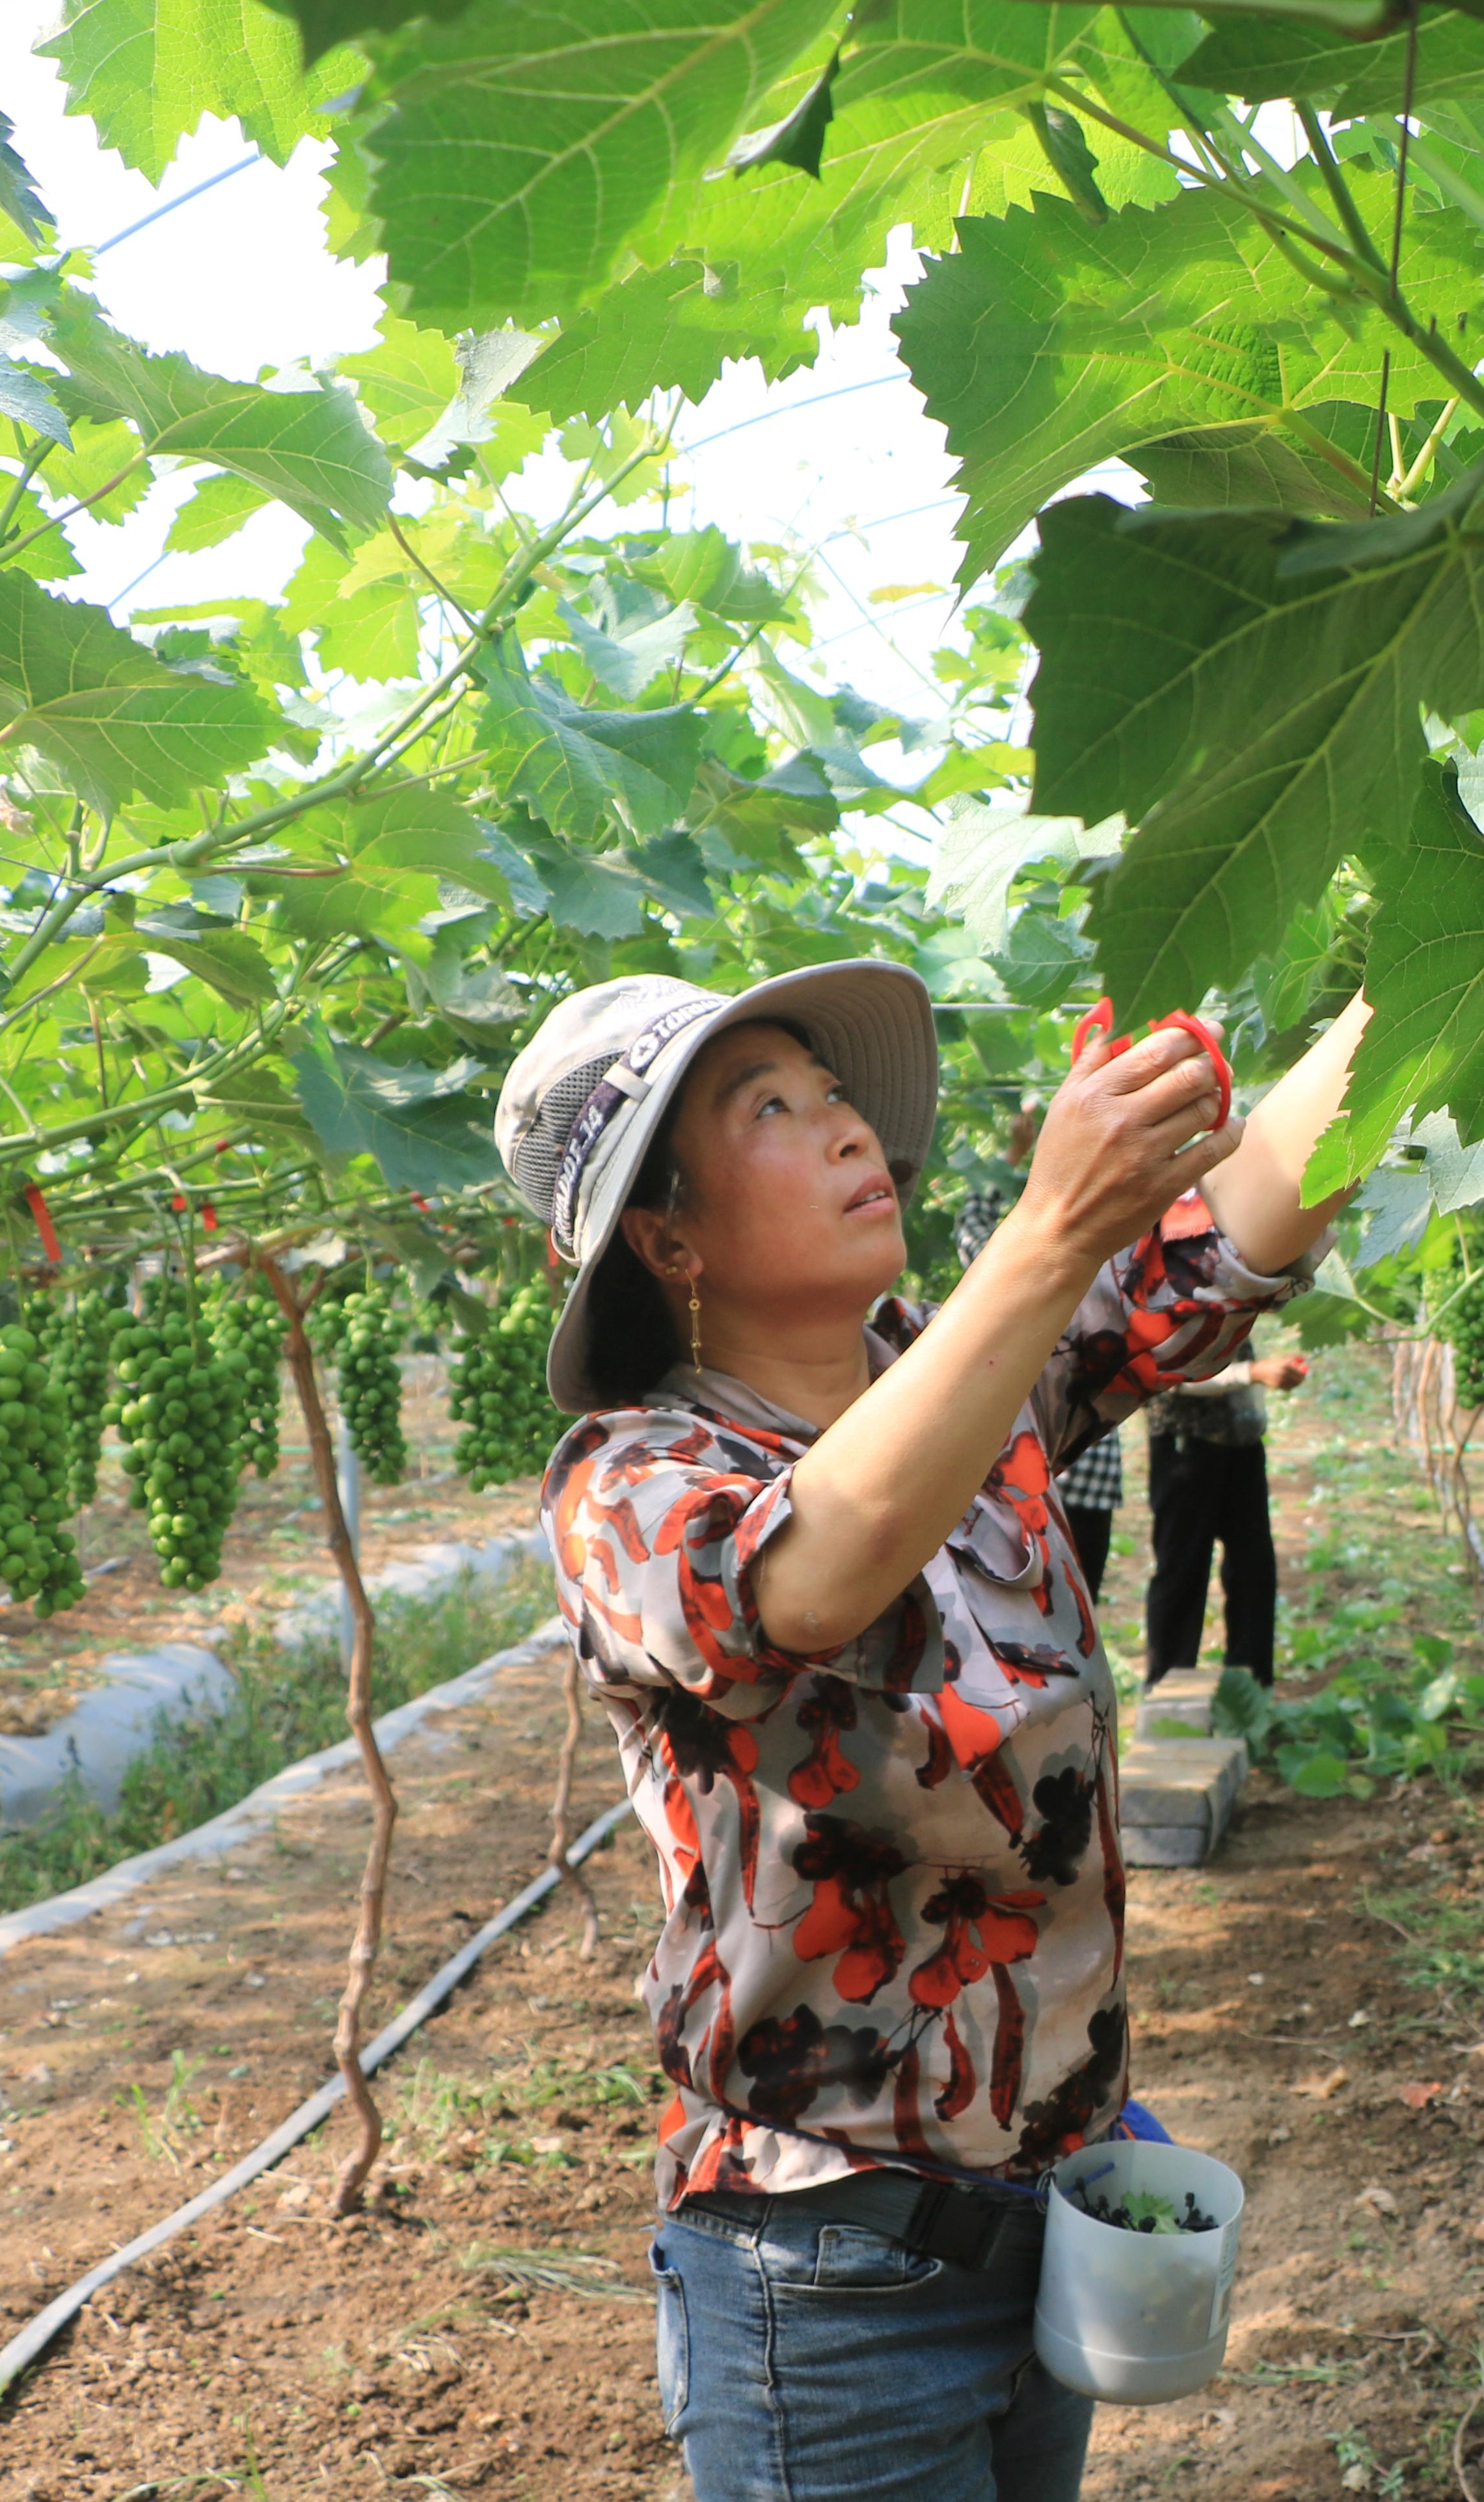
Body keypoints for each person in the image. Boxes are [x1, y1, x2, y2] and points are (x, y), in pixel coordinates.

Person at [496, 962, 1366, 2502]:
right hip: (827, 2287)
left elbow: (1221, 1233)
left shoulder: (955, 1379)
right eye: (771, 1108)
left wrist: (1445, 959)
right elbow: (806, 1580)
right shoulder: (627, 1486)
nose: (846, 1128)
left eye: (835, 1093)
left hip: (1043, 2224)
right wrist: (1049, 1230)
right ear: (668, 1238)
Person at [956, 1112, 1120, 1592]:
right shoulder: (1108, 1277)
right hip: (1074, 1477)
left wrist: (1016, 1154)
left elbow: (973, 1223)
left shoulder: (1024, 1278)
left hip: (1030, 1478)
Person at [1142, 1344, 1309, 1689]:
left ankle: (1250, 1689)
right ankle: (1168, 1689)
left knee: (1254, 1568)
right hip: (1184, 1444)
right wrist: (1252, 1372)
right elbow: (1167, 1373)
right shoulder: (1163, 1311)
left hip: (1242, 1445)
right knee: (1182, 1567)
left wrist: (1264, 1372)